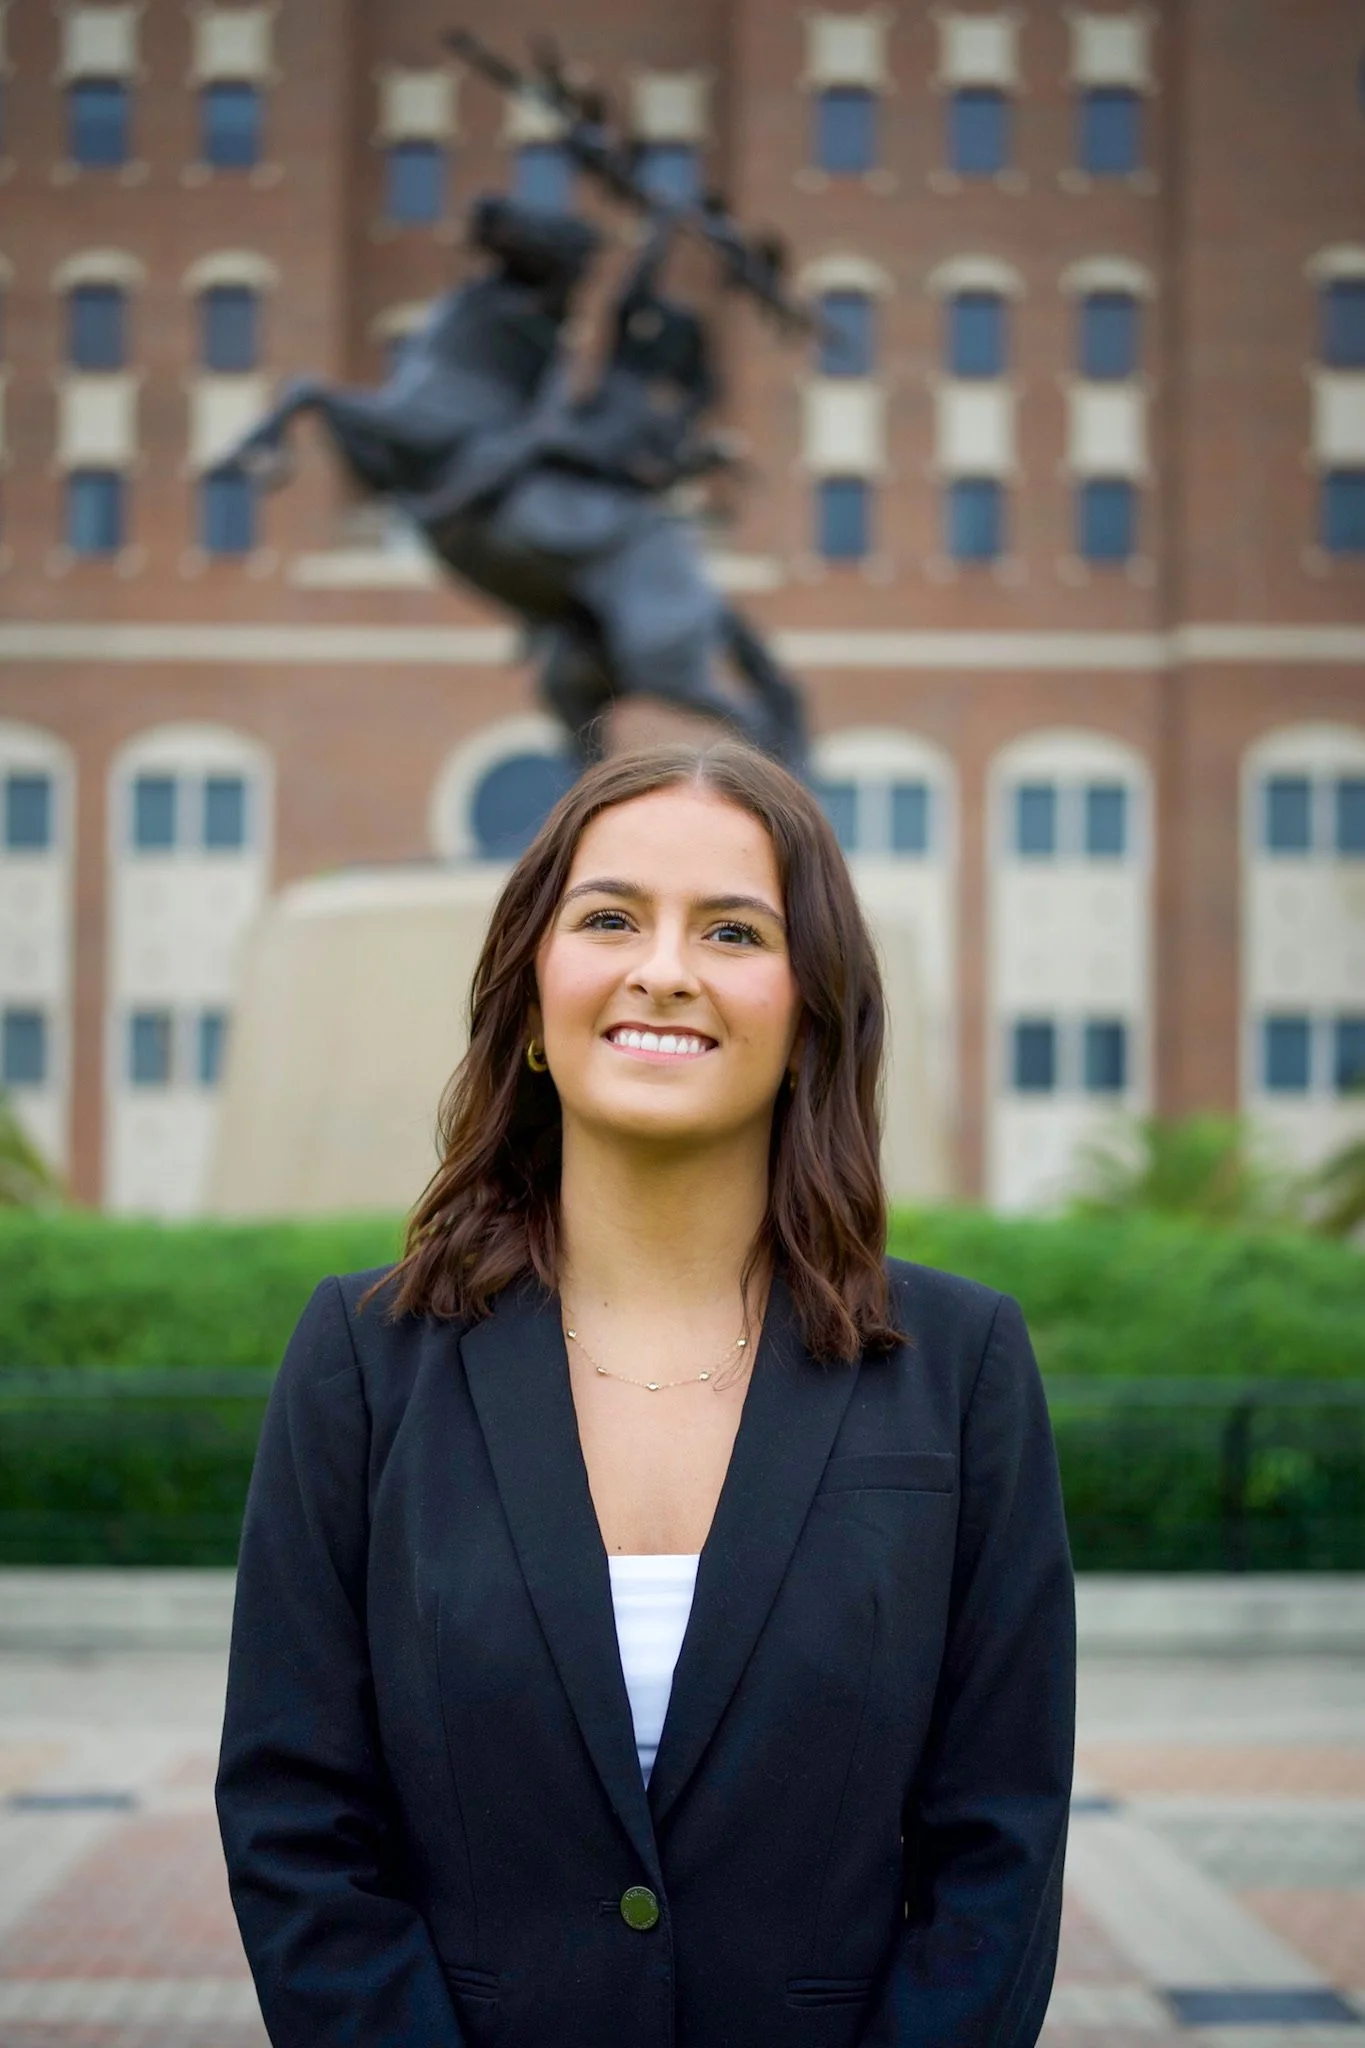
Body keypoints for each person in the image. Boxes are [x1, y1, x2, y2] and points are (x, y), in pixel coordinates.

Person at [216, 740, 1076, 2048]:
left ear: (809, 1016)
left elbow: (998, 1842)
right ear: (533, 995)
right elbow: (296, 1823)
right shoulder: (364, 1359)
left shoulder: (958, 1368)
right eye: (610, 917)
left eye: (733, 930)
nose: (662, 967)